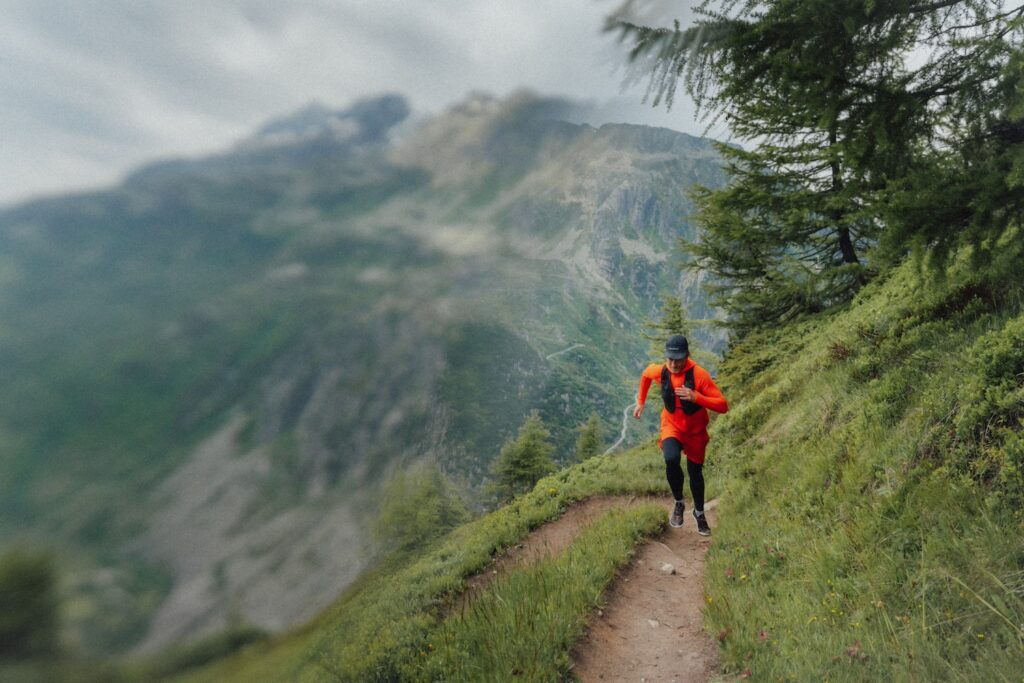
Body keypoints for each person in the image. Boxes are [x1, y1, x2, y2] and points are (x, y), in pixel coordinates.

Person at [633, 334, 728, 535]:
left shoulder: (699, 375)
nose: (674, 364)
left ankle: (699, 513)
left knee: (695, 473)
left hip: (695, 432)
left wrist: (697, 397)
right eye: (670, 359)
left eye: (678, 359)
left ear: (687, 356)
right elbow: (645, 375)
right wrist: (640, 401)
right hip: (671, 425)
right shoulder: (660, 371)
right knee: (671, 459)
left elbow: (723, 405)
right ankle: (678, 503)